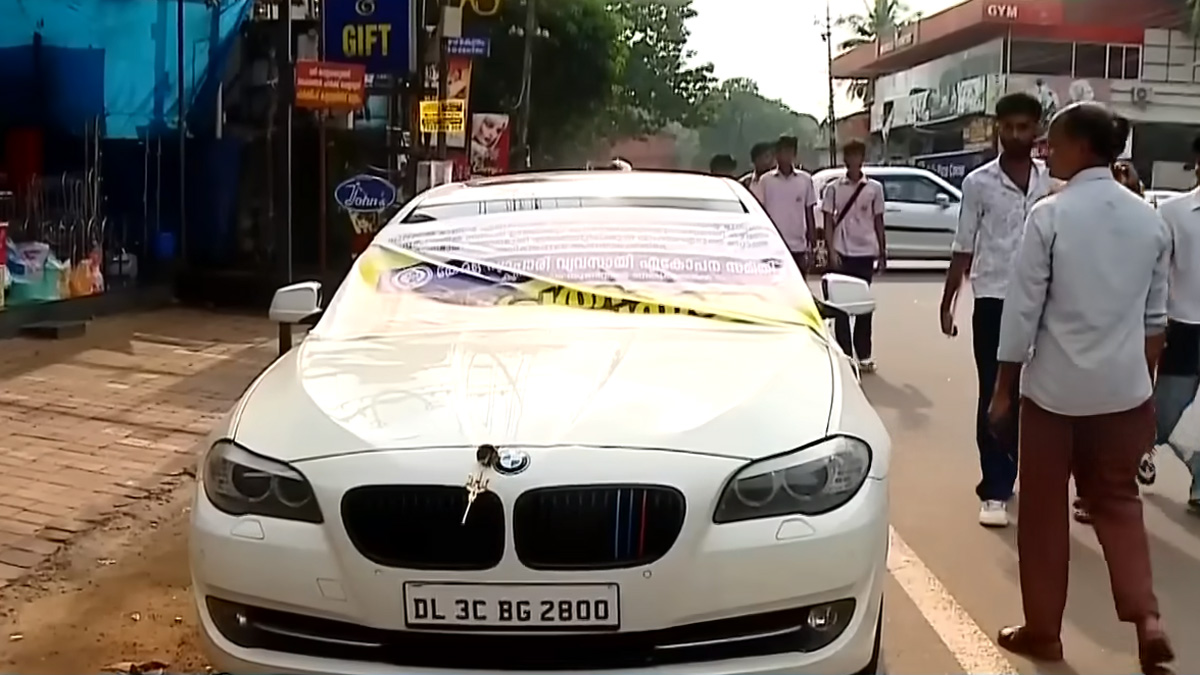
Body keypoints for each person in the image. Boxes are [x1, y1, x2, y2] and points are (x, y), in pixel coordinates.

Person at [989, 102, 1173, 673]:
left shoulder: (1050, 215)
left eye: (1055, 142)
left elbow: (1022, 311)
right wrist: (1142, 392)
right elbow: (1155, 323)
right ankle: (1146, 618)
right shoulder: (1150, 221)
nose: (1046, 152)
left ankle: (1044, 632)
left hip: (1055, 396)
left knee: (1043, 516)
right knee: (1118, 503)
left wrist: (1003, 389)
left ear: (1083, 148)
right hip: (1124, 394)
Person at [939, 92, 1051, 528]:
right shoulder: (978, 183)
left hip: (1047, 303)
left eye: (1024, 127)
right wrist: (949, 300)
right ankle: (996, 488)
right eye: (1008, 127)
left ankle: (1022, 474)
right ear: (998, 129)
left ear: (1037, 129)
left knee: (1038, 396)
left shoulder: (1052, 182)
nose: (1016, 135)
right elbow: (963, 244)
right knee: (995, 391)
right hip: (994, 300)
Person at [1074, 159, 1156, 525]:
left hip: (1130, 344)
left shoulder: (1148, 228)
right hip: (1088, 343)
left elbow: (1157, 298)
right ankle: (1089, 492)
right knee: (1087, 423)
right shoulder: (1080, 226)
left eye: (1128, 183)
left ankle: (1113, 487)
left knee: (1120, 423)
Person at [1150, 135, 1200, 515]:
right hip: (1182, 327)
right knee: (1166, 414)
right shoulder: (1172, 213)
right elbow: (1156, 274)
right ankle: (1141, 450)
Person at [821, 139, 885, 372]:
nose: (853, 160)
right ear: (845, 159)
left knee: (863, 307)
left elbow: (879, 221)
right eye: (849, 156)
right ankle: (845, 355)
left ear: (862, 159)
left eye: (857, 155)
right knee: (841, 308)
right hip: (842, 251)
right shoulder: (834, 188)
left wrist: (882, 252)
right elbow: (828, 221)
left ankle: (864, 354)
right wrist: (831, 250)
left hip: (865, 252)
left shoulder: (874, 189)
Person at [760, 135, 818, 275]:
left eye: (789, 151)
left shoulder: (805, 180)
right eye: (782, 151)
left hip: (798, 246)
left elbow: (809, 212)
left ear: (794, 154)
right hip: (772, 246)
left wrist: (812, 241)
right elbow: (759, 212)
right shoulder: (766, 181)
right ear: (776, 154)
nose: (786, 155)